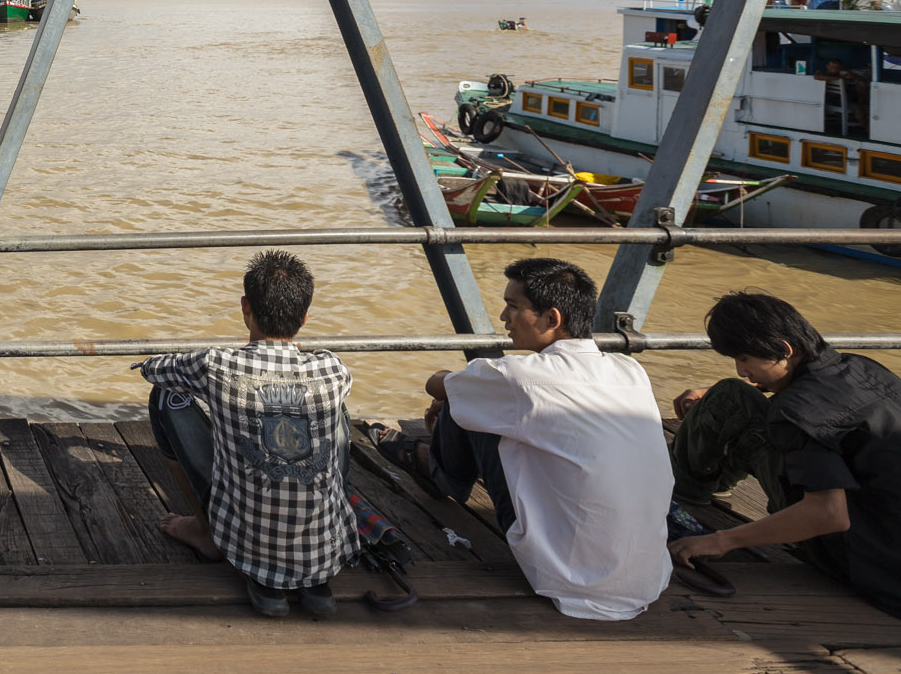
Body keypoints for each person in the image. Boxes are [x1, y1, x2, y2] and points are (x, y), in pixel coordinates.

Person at [373, 257, 672, 620]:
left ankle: (436, 470)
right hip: (646, 578)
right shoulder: (629, 370)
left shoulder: (521, 378)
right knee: (480, 398)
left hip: (567, 576)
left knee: (465, 398)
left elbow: (435, 383)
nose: (503, 317)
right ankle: (436, 457)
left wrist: (451, 390)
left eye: (513, 307)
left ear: (552, 319)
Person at [140, 250, 358, 619]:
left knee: (165, 395)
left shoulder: (216, 363)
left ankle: (206, 533)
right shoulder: (332, 368)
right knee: (336, 409)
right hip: (326, 552)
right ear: (305, 316)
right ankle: (311, 578)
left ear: (245, 306)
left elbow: (152, 369)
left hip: (244, 545)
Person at [668, 292, 901, 618]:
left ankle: (682, 492)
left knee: (730, 395)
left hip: (867, 561)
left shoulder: (795, 410)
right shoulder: (863, 368)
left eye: (745, 359)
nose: (740, 369)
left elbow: (828, 514)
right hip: (889, 543)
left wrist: (722, 541)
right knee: (732, 394)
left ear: (785, 349)